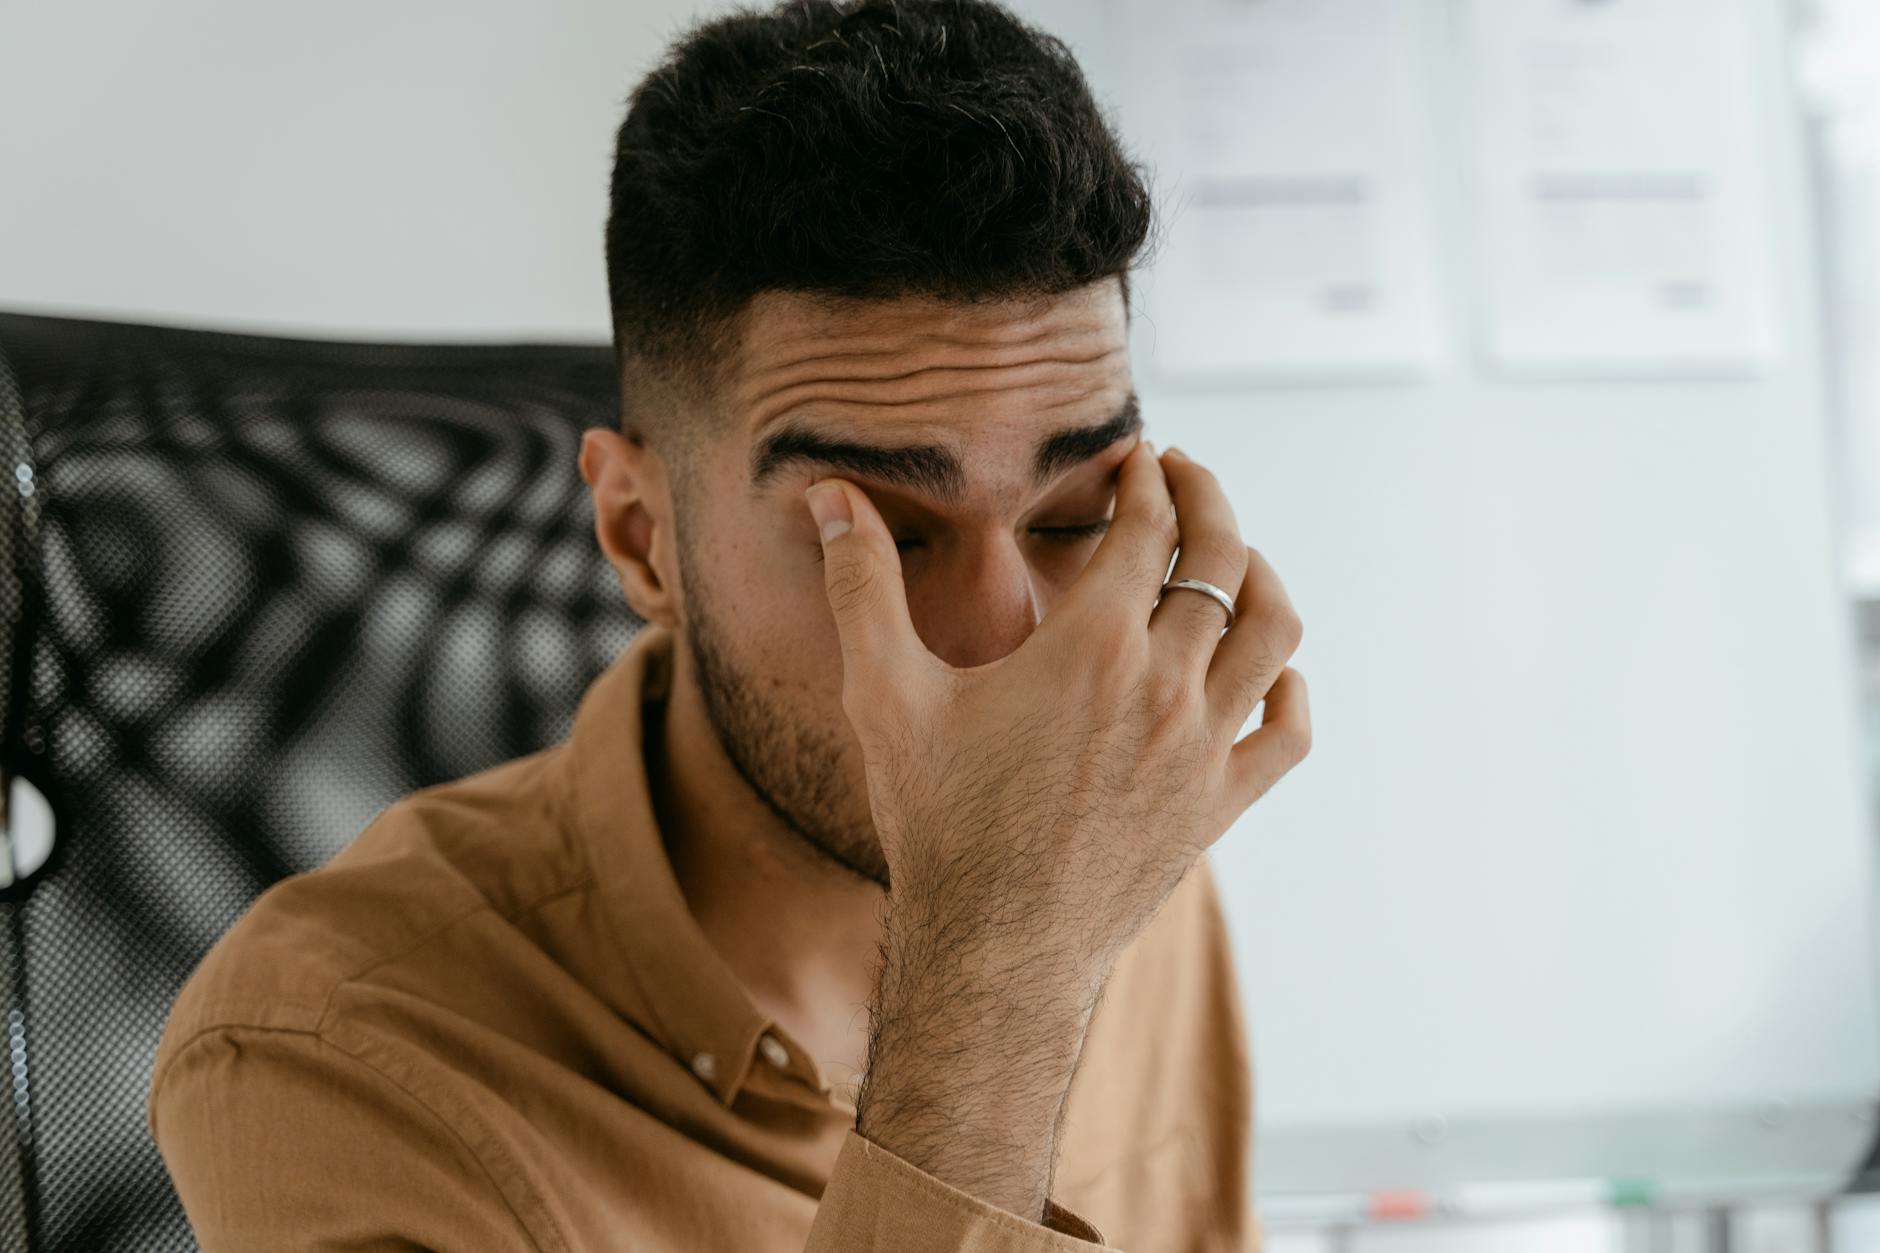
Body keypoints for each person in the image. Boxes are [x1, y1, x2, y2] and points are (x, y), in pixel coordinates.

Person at [146, 1, 1310, 1248]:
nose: (999, 647)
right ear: (640, 535)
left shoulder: (1114, 856)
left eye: (1075, 516)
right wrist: (997, 977)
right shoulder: (327, 1048)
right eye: (876, 536)